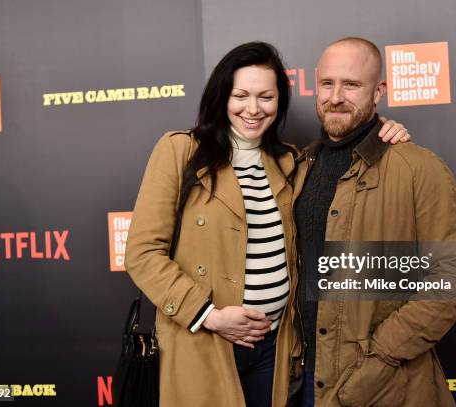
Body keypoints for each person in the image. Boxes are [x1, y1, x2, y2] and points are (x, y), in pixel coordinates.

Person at [124, 41, 410, 407]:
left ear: (280, 101)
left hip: (273, 352)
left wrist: (381, 128)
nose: (253, 109)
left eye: (266, 96)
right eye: (240, 95)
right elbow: (142, 253)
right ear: (221, 96)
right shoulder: (180, 151)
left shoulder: (288, 161)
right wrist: (207, 315)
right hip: (205, 342)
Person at [292, 37, 456, 407]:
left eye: (351, 84)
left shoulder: (420, 168)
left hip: (381, 386)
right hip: (301, 382)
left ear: (378, 93)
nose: (336, 96)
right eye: (327, 84)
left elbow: (453, 276)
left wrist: (380, 357)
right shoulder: (296, 168)